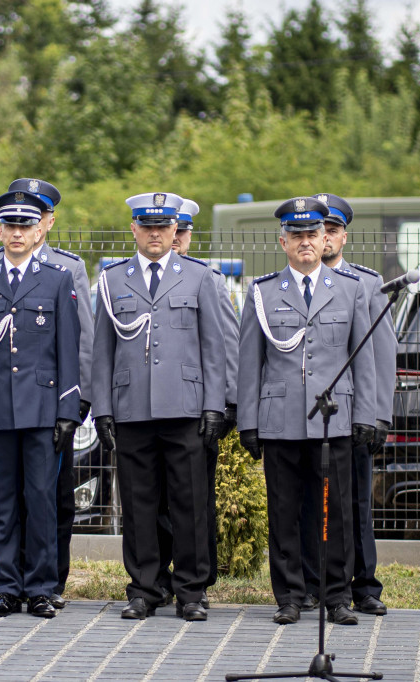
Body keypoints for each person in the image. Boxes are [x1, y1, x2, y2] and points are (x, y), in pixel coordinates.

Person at [237, 196, 376, 626]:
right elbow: (249, 362)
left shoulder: (350, 290)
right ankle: (291, 596)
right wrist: (249, 422)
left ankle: (335, 596)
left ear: (325, 238)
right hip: (280, 421)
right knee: (284, 511)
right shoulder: (262, 293)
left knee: (333, 512)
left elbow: (363, 359)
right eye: (296, 236)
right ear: (282, 241)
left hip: (333, 420)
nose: (306, 243)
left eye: (313, 234)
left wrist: (366, 416)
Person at [92, 192, 226, 622]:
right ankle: (144, 589)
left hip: (185, 408)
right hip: (132, 409)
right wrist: (103, 408)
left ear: (175, 231)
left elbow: (214, 348)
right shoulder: (112, 280)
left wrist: (213, 406)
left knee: (189, 503)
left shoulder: (200, 277)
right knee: (139, 503)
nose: (155, 234)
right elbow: (102, 351)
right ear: (134, 229)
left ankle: (190, 591)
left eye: (163, 227)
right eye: (146, 227)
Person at [0, 177, 94, 609]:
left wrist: (69, 409)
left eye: (26, 224)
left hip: (43, 408)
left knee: (42, 501)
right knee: (2, 503)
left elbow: (69, 348)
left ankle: (42, 588)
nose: (19, 232)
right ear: (0, 231)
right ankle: (7, 588)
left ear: (40, 229)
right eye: (11, 225)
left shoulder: (58, 279)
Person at [297, 192, 395, 616]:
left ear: (342, 236)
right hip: (308, 416)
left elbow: (381, 355)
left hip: (353, 413)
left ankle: (364, 586)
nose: (327, 237)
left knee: (355, 501)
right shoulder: (295, 279)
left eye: (333, 229)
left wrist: (377, 416)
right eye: (322, 230)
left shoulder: (367, 284)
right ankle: (307, 584)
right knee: (306, 501)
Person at [159, 197, 240, 609]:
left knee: (194, 500)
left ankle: (196, 580)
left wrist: (227, 404)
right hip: (152, 409)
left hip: (196, 409)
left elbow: (225, 345)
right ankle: (157, 578)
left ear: (187, 236)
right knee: (154, 501)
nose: (175, 240)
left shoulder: (206, 278)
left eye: (183, 232)